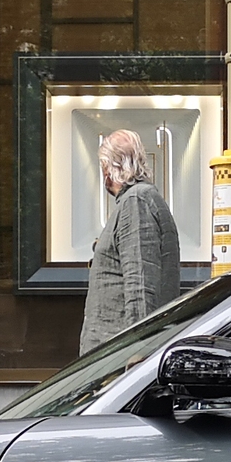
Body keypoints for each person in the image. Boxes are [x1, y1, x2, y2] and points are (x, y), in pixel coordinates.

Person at [79, 128, 182, 353]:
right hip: (113, 355)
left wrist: (138, 354)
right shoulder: (140, 201)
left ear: (108, 168)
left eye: (103, 166)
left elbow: (141, 287)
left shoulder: (136, 203)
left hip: (115, 359)